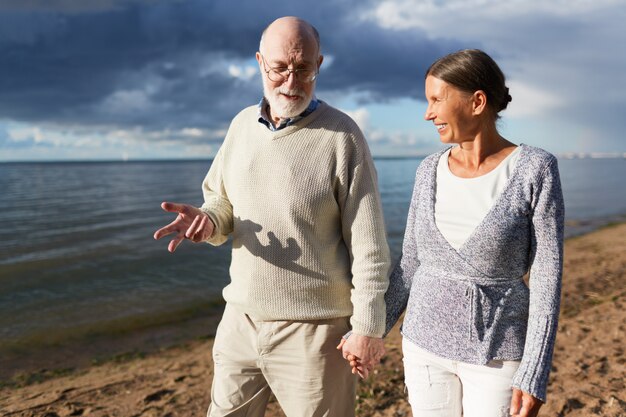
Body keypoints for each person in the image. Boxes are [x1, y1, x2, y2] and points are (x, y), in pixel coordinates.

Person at [153, 16, 389, 417]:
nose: (291, 81)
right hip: (240, 320)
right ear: (260, 62)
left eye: (304, 68)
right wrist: (208, 222)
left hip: (315, 333)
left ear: (320, 64)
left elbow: (370, 247)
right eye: (280, 68)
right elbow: (221, 201)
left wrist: (367, 327)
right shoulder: (241, 125)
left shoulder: (343, 136)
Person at [348, 49, 564, 417]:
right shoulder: (428, 170)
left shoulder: (536, 169)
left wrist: (534, 368)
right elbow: (412, 262)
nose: (427, 113)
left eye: (436, 100)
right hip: (423, 346)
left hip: (497, 351)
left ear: (477, 101)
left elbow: (546, 274)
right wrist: (372, 329)